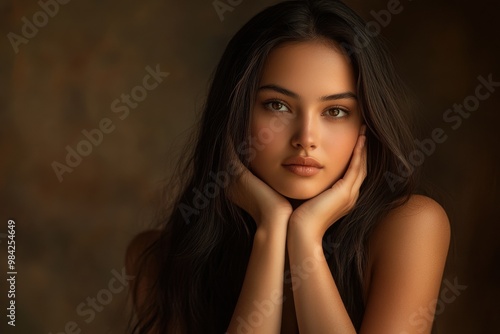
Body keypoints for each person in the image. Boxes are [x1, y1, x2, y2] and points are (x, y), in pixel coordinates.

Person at [125, 1, 451, 333]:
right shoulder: (158, 261)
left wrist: (305, 237)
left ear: (365, 124)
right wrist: (270, 227)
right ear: (233, 117)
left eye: (335, 111)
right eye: (277, 105)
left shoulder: (412, 226)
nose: (306, 138)